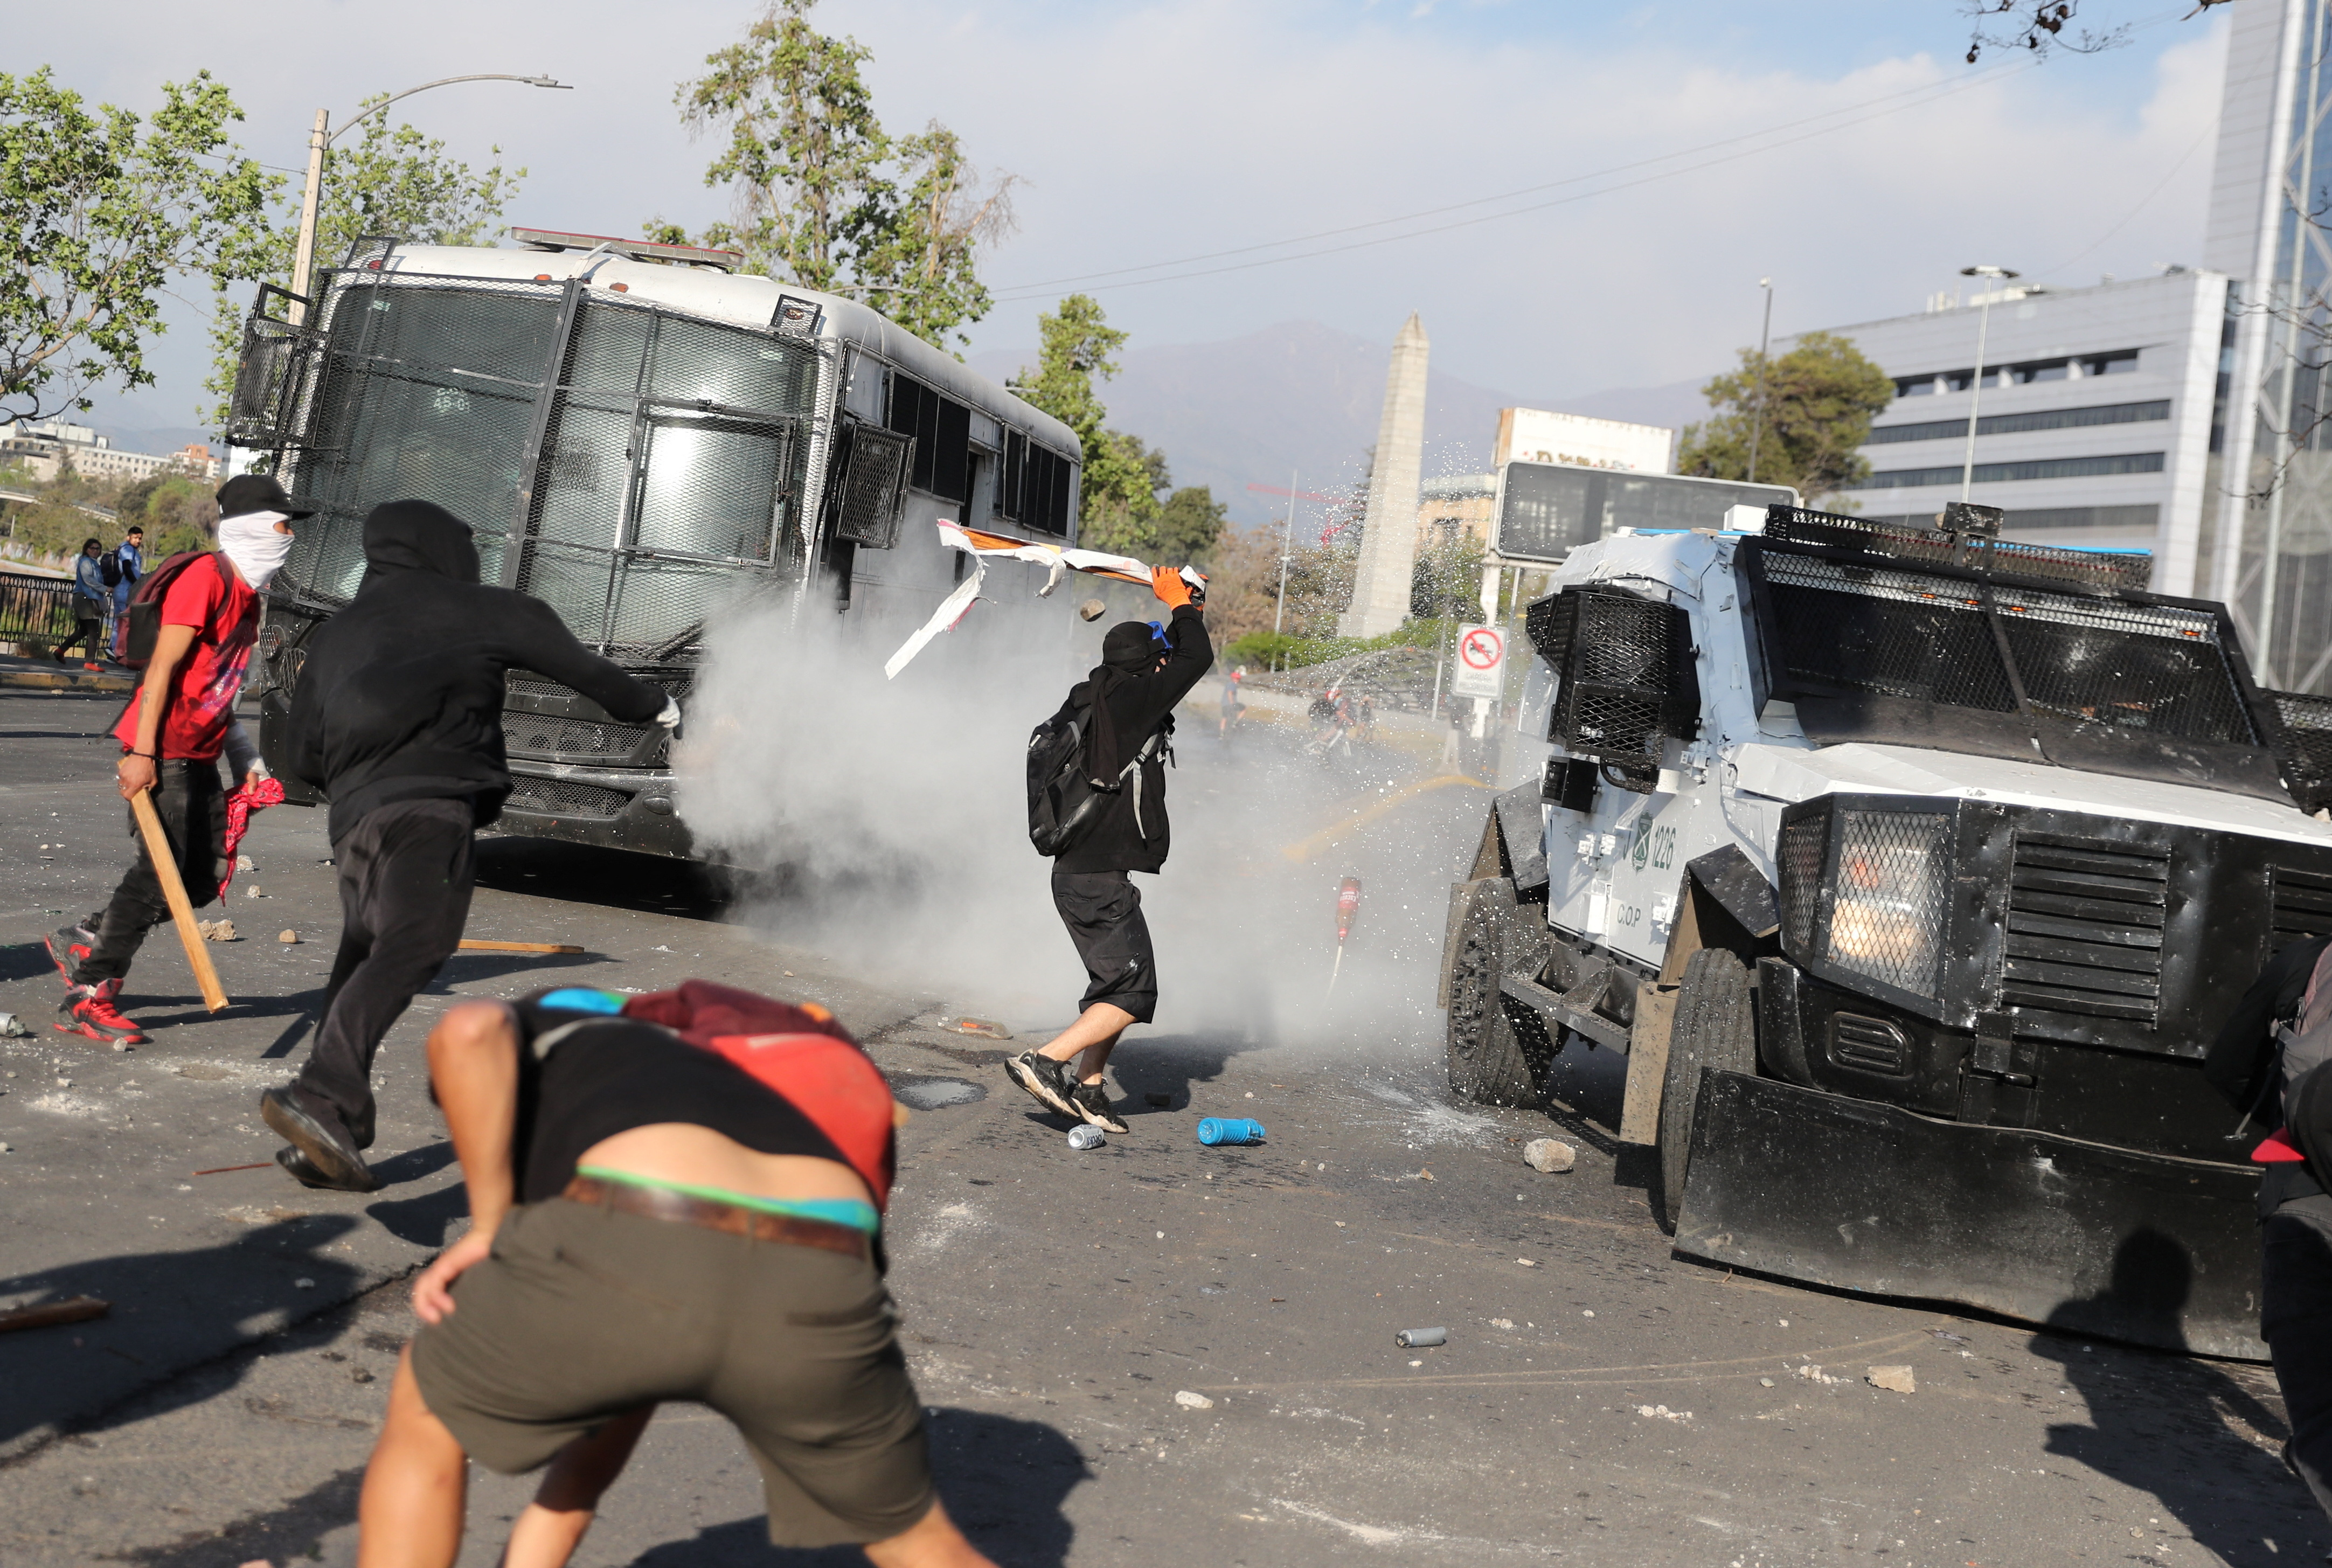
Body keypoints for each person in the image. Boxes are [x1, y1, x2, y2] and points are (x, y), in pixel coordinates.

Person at [359, 980, 994, 1568]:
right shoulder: (763, 1061)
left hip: (636, 1219)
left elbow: (468, 1032)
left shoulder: (552, 1023)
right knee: (921, 1545)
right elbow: (626, 1390)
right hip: (820, 1266)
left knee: (427, 1407)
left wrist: (488, 1226)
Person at [260, 498, 677, 1194]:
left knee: (366, 947)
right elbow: (590, 674)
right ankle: (322, 1096)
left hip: (355, 818)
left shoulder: (337, 634)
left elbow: (299, 756)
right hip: (430, 807)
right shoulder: (485, 608)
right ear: (446, 552)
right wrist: (658, 706)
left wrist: (359, 776)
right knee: (415, 943)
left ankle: (331, 1129)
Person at [44, 480, 304, 1045]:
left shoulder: (249, 597)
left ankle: (95, 933)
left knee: (201, 881)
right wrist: (141, 753)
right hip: (164, 749)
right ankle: (89, 992)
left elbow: (222, 693)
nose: (290, 537)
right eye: (284, 524)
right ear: (253, 526)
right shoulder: (204, 580)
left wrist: (249, 761)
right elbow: (161, 669)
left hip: (202, 751)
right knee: (158, 877)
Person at [1005, 568, 1211, 1133]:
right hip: (1093, 880)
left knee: (1118, 986)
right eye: (1159, 660)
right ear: (1148, 666)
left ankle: (1090, 1087)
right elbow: (1195, 659)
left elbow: (1179, 654)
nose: (1166, 668)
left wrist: (1192, 603)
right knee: (1135, 990)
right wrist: (1179, 606)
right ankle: (1045, 1061)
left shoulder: (1098, 694)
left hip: (1085, 876)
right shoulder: (1129, 703)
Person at [2209, 935, 2332, 1525]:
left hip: (2301, 1192)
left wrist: (2298, 1123)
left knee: (2317, 1406)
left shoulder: (2308, 961)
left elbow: (2227, 1065)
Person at [57, 537, 107, 665]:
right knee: (94, 632)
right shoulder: (86, 562)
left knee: (84, 630)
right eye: (92, 548)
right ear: (86, 549)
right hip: (85, 598)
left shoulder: (94, 563)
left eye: (98, 548)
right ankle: (89, 662)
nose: (95, 551)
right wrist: (106, 589)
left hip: (87, 598)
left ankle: (60, 650)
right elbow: (88, 580)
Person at [107, 524, 144, 660]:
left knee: (122, 620)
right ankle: (114, 650)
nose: (138, 541)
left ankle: (114, 649)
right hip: (124, 590)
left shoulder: (127, 549)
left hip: (123, 589)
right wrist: (137, 583)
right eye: (135, 538)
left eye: (140, 538)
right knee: (123, 621)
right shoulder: (128, 549)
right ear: (128, 537)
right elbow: (127, 567)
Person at [1217, 665, 1245, 740]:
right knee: (1244, 709)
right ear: (1234, 679)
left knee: (1224, 718)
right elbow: (1230, 693)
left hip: (1224, 704)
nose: (1238, 681)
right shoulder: (1233, 685)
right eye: (1238, 679)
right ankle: (1235, 723)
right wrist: (1232, 703)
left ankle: (1221, 734)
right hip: (1230, 704)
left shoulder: (1228, 684)